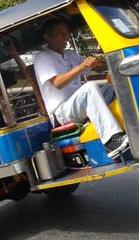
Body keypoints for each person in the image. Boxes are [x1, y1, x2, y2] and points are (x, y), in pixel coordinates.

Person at [34, 18, 129, 159]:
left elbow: (92, 67)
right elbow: (58, 83)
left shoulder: (70, 54)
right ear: (48, 37)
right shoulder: (42, 58)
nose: (65, 37)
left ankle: (130, 127)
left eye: (67, 33)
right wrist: (81, 66)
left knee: (114, 85)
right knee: (90, 87)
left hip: (81, 103)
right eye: (61, 33)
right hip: (63, 111)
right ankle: (111, 140)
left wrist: (105, 60)